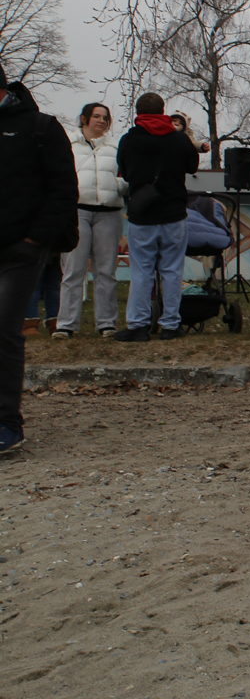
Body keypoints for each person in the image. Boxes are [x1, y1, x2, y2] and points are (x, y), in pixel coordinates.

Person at [0, 64, 77, 452]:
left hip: (20, 249)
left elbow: (63, 188)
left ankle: (6, 423)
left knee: (3, 329)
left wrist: (35, 239)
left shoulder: (40, 128)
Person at [114, 92, 200, 342]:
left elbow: (125, 173)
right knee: (172, 271)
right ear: (163, 111)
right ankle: (171, 325)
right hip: (174, 214)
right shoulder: (179, 139)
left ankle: (139, 326)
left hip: (142, 215)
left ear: (138, 113)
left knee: (142, 272)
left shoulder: (129, 140)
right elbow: (192, 167)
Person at [57, 102, 125, 339]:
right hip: (76, 212)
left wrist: (118, 185)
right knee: (73, 270)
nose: (101, 121)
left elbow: (126, 176)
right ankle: (66, 324)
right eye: (96, 116)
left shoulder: (116, 147)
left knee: (106, 271)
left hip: (109, 212)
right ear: (84, 119)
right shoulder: (68, 144)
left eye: (105, 117)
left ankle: (106, 323)